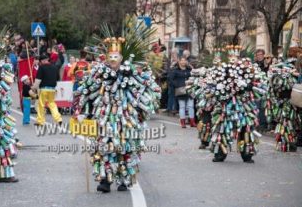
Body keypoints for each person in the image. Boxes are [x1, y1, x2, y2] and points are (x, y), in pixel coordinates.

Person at [72, 37, 161, 193]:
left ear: (121, 58)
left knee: (125, 148)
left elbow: (145, 90)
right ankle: (106, 180)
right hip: (103, 117)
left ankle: (123, 179)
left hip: (126, 118)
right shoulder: (99, 73)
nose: (113, 60)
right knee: (103, 147)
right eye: (110, 57)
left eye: (116, 57)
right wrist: (82, 111)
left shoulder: (130, 73)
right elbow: (88, 91)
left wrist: (144, 109)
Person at [33, 54, 62, 126]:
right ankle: (58, 119)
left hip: (43, 89)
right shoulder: (55, 67)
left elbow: (38, 80)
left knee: (41, 105)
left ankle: (40, 121)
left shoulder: (42, 67)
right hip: (52, 89)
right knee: (52, 103)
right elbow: (58, 78)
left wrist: (34, 88)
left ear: (42, 61)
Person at [170, 56, 195, 128]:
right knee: (182, 107)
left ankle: (192, 122)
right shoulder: (175, 70)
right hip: (180, 90)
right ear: (179, 61)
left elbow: (194, 75)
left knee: (191, 106)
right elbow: (171, 79)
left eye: (185, 60)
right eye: (182, 60)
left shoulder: (189, 69)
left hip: (190, 89)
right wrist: (177, 85)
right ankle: (183, 122)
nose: (183, 62)